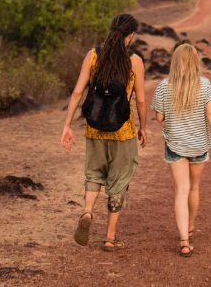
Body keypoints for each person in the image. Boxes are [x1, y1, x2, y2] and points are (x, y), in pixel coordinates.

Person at [61, 13, 147, 252]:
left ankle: (88, 212)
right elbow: (140, 99)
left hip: (95, 128)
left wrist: (67, 125)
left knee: (94, 175)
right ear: (131, 36)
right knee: (118, 182)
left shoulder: (93, 55)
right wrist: (143, 127)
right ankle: (109, 238)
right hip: (123, 131)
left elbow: (77, 92)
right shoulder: (134, 61)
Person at [151, 43, 211, 257]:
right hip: (199, 145)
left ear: (175, 61)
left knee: (181, 191)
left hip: (175, 144)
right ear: (195, 62)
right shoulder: (204, 84)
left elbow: (159, 118)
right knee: (194, 188)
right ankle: (191, 226)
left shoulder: (164, 86)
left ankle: (184, 241)